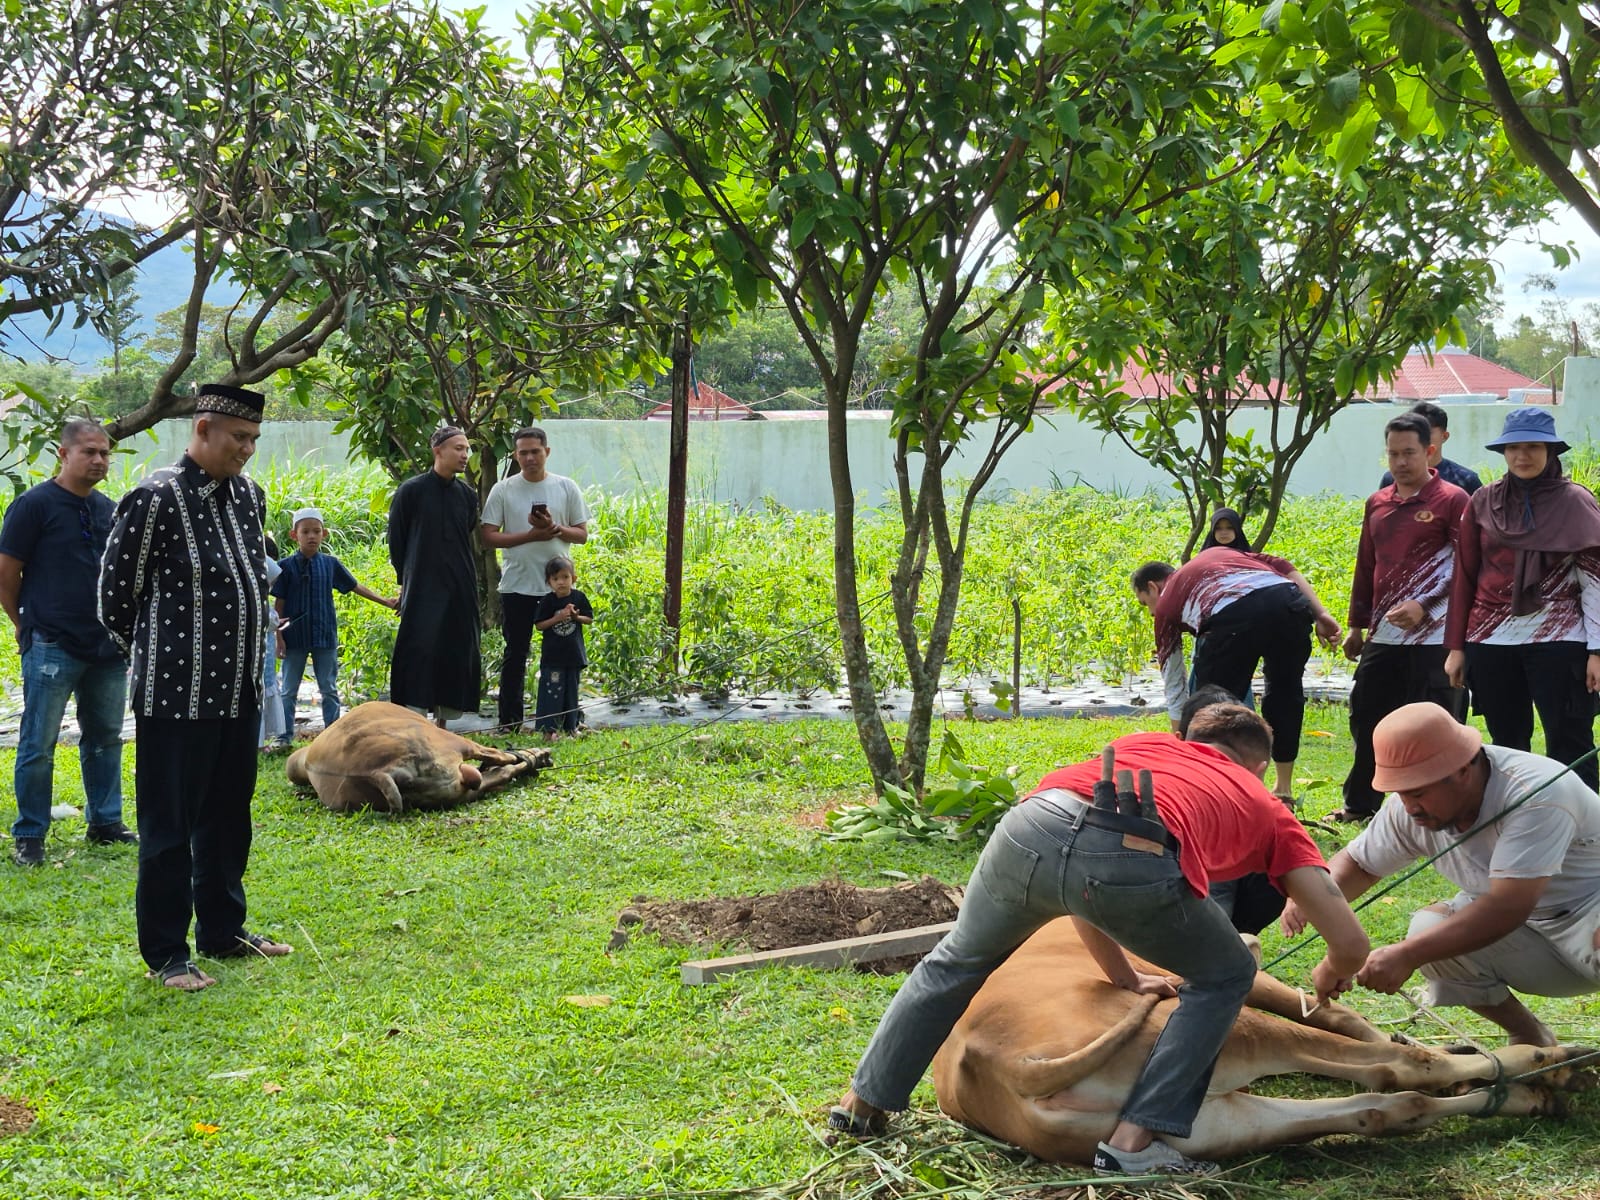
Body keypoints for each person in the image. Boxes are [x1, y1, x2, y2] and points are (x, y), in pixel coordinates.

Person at [830, 705, 1370, 1177]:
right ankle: (1135, 1143)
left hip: (1030, 824)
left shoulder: (1145, 746)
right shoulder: (1263, 801)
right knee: (1227, 974)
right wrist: (1338, 965)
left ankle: (861, 1103)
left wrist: (1124, 977)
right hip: (1130, 856)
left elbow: (1081, 886)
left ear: (1189, 741)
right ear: (1255, 767)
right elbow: (1344, 932)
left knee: (953, 961)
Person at [99, 384, 292, 992]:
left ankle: (222, 931)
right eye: (239, 438)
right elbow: (113, 599)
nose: (248, 450)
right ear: (203, 428)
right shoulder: (154, 498)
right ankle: (166, 954)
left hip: (239, 695)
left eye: (255, 440)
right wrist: (160, 657)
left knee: (228, 818)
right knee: (168, 828)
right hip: (173, 699)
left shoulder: (248, 499)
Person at [1283, 702, 1600, 1046]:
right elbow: (1360, 864)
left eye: (1418, 792)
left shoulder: (1535, 793)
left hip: (1586, 912)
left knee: (1421, 943)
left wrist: (1407, 955)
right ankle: (1530, 1037)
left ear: (1464, 769)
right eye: (1400, 792)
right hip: (1527, 933)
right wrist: (1314, 894)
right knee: (1428, 930)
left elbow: (1509, 906)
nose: (1409, 807)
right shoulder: (1409, 807)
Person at [1444, 407, 1600, 792]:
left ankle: (1587, 838)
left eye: (1533, 446)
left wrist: (1597, 649)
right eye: (1513, 447)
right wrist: (1457, 647)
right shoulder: (1482, 502)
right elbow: (1464, 576)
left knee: (1570, 742)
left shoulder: (1574, 502)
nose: (1522, 456)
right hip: (1490, 642)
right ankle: (1518, 826)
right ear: (1504, 453)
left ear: (1551, 451)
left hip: (1560, 642)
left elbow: (1595, 581)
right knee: (1507, 746)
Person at [0, 418, 134, 866]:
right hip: (52, 642)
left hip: (106, 647)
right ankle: (30, 834)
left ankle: (106, 822)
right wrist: (25, 624)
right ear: (63, 454)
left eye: (104, 453)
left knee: (106, 737)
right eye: (89, 452)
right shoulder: (33, 506)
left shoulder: (109, 510)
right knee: (38, 741)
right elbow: (6, 574)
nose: (98, 460)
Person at [1336, 413, 1471, 823]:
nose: (1400, 462)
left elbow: (1468, 567)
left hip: (1436, 639)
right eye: (1393, 453)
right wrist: (1357, 626)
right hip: (1385, 635)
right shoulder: (1377, 503)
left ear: (1429, 451)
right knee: (1368, 719)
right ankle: (1361, 807)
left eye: (1409, 452)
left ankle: (1451, 806)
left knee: (1437, 725)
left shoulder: (1452, 499)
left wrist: (1425, 605)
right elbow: (1367, 565)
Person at [1132, 547, 1341, 801]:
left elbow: (1174, 681)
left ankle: (1220, 790)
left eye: (1145, 603)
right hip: (1289, 603)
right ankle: (1283, 789)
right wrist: (1321, 613)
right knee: (1285, 693)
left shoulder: (1166, 604)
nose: (1152, 612)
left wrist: (1179, 740)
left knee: (1212, 707)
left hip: (1234, 615)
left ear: (1153, 587)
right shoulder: (1222, 553)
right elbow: (1284, 566)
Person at [479, 427, 590, 729]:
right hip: (517, 586)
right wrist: (530, 535)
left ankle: (564, 718)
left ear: (547, 452)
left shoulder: (566, 487)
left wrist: (554, 528)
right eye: (523, 452)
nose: (529, 458)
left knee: (563, 654)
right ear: (515, 455)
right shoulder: (503, 490)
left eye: (535, 451)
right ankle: (510, 721)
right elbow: (487, 537)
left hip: (559, 591)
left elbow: (581, 534)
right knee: (515, 653)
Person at [271, 507, 398, 745]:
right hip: (295, 638)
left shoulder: (330, 564)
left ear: (324, 534)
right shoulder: (285, 567)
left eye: (316, 531)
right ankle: (284, 737)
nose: (311, 536)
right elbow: (279, 605)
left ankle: (333, 737)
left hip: (324, 636)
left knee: (328, 688)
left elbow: (355, 586)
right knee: (288, 690)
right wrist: (279, 637)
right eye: (306, 531)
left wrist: (386, 602)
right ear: (294, 535)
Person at [388, 427, 483, 727]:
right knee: (420, 645)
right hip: (422, 585)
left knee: (456, 646)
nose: (465, 455)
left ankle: (444, 726)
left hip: (460, 585)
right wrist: (406, 581)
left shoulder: (467, 495)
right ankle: (416, 723)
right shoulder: (411, 491)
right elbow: (397, 540)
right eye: (458, 448)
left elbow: (464, 534)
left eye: (467, 449)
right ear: (437, 451)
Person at [531, 555, 593, 739]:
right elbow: (539, 625)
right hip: (553, 657)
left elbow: (588, 619)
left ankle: (571, 727)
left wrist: (575, 617)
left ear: (573, 578)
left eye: (565, 577)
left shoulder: (579, 597)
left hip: (573, 655)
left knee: (571, 692)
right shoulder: (547, 601)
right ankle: (549, 731)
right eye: (555, 579)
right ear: (549, 582)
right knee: (552, 692)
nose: (561, 582)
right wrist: (558, 617)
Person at [1379, 401, 1483, 495]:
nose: (1420, 437)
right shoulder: (1391, 479)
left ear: (1444, 436)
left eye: (1427, 432)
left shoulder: (1465, 480)